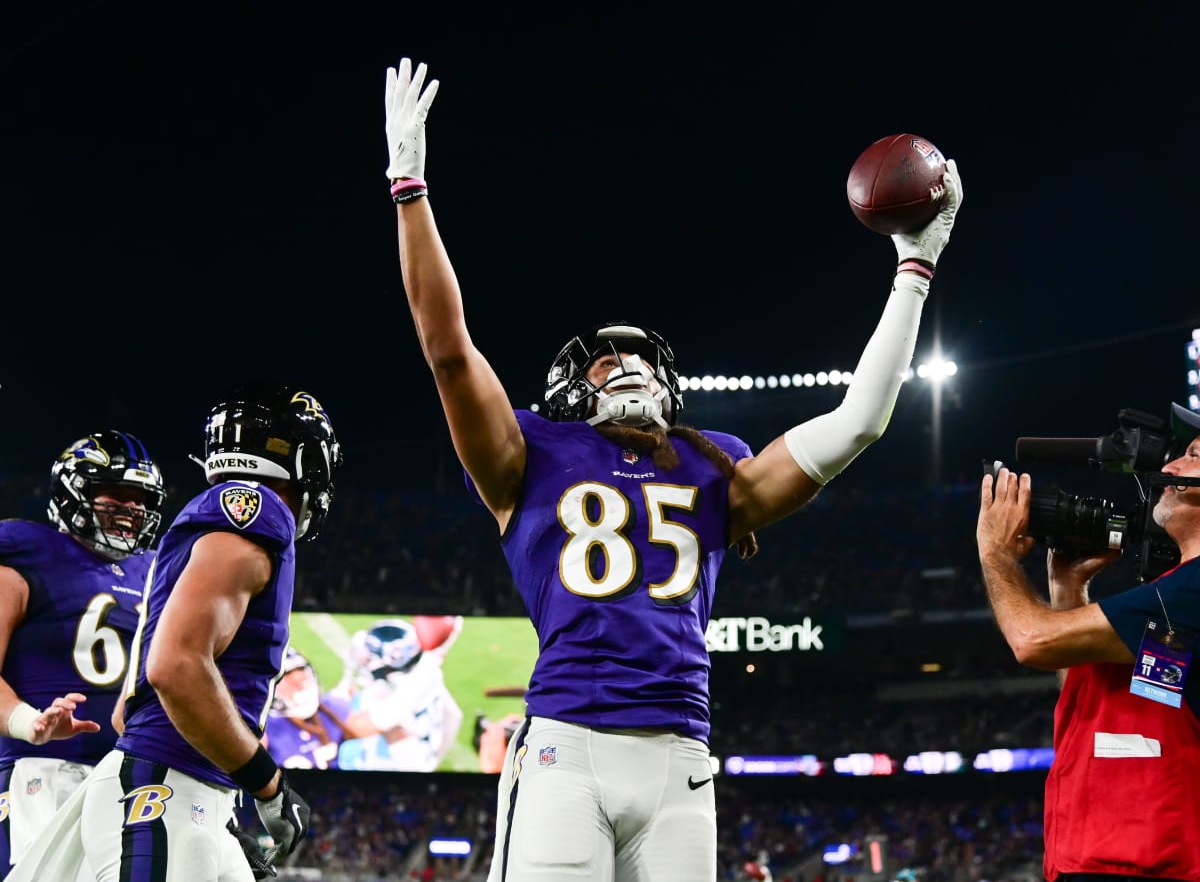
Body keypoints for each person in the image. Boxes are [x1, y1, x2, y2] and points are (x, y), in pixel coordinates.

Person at [383, 56, 963, 881]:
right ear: (563, 390)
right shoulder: (526, 452)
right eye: (605, 361)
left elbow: (860, 424)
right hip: (566, 749)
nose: (628, 368)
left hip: (682, 759)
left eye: (641, 360)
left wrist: (914, 268)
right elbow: (447, 350)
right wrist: (411, 192)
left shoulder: (712, 467)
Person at [7, 383, 343, 882]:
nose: (128, 509)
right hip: (144, 784)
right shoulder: (252, 507)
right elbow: (176, 668)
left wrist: (220, 807)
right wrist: (266, 783)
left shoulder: (156, 563)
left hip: (178, 788)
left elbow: (129, 709)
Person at [976, 403, 1200, 881]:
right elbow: (1116, 696)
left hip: (1146, 864)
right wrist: (1068, 591)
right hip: (1114, 859)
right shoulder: (1178, 598)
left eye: (1194, 456)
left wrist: (995, 552)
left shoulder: (1192, 593)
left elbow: (1030, 641)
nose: (1170, 467)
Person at [0, 430, 165, 877]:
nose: (132, 508)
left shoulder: (153, 569)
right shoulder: (27, 549)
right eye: (118, 493)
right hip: (40, 771)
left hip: (129, 778)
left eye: (141, 499)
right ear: (75, 489)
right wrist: (29, 723)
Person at [336, 618, 464, 772]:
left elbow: (379, 720)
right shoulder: (432, 677)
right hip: (424, 754)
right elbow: (454, 716)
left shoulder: (382, 696)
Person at [263, 646, 355, 771]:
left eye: (302, 675)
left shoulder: (333, 707)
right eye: (289, 680)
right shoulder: (266, 727)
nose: (301, 684)